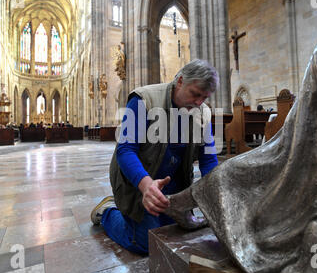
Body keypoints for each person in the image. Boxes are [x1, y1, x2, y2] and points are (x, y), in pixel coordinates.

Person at [90, 59, 220, 255]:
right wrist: (146, 186)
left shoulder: (202, 113)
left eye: (205, 97)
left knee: (180, 233)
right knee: (146, 243)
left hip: (174, 185)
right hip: (137, 182)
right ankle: (108, 212)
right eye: (195, 94)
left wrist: (216, 191)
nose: (199, 103)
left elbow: (208, 158)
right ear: (180, 81)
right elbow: (125, 150)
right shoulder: (144, 100)